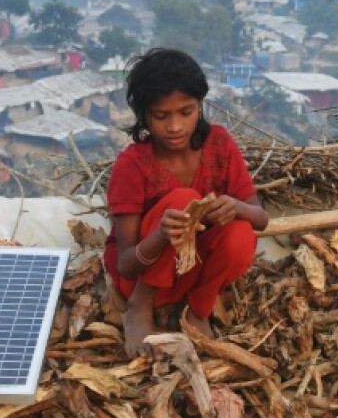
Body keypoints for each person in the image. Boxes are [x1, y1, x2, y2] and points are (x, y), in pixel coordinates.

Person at [104, 48, 268, 357]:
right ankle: (140, 307)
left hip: (195, 275)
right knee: (183, 199)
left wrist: (235, 206)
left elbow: (260, 218)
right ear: (144, 115)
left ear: (200, 106)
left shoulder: (219, 145)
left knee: (241, 232)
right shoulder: (133, 165)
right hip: (142, 278)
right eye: (161, 116)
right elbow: (126, 264)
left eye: (186, 112)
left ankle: (199, 310)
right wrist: (160, 236)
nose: (175, 127)